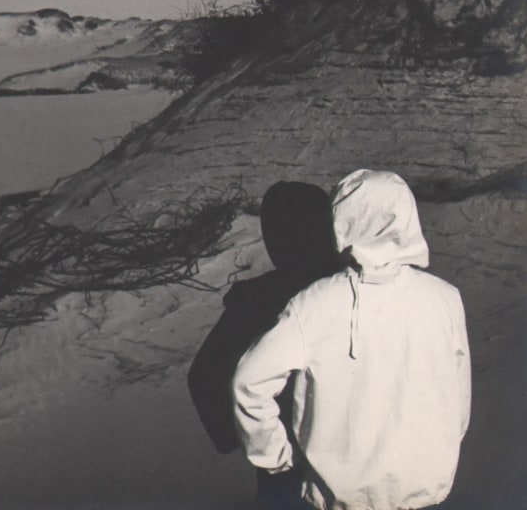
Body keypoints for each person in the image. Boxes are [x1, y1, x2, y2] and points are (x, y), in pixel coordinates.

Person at [232, 169, 471, 510]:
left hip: (339, 499)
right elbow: (458, 398)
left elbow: (249, 382)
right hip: (425, 496)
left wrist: (275, 458)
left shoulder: (314, 302)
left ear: (342, 220)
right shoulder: (444, 298)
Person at [188, 181, 341, 507]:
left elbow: (205, 376)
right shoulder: (366, 286)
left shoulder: (257, 299)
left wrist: (244, 438)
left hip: (287, 455)